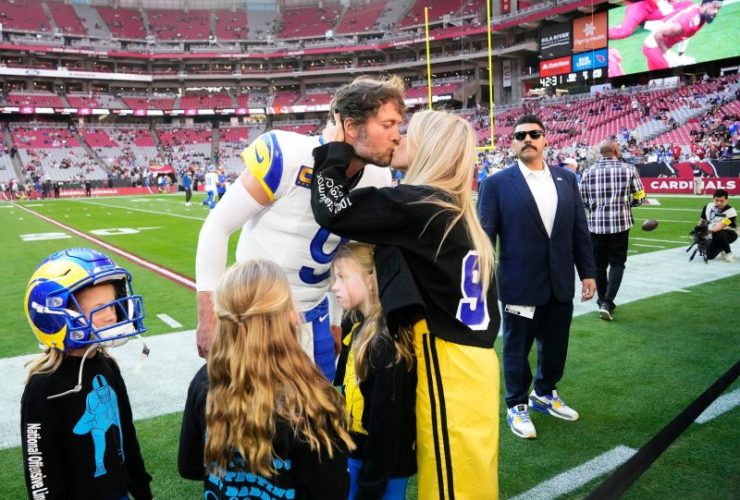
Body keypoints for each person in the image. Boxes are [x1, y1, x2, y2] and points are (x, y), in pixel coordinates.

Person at [312, 109, 501, 499]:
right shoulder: (451, 208)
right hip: (471, 363)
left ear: (430, 148)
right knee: (466, 482)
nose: (398, 137)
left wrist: (336, 149)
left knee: (452, 490)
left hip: (448, 361)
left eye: (408, 132)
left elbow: (332, 210)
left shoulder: (420, 204)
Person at [195, 76, 403, 381]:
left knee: (321, 405)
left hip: (317, 314)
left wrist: (335, 319)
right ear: (350, 126)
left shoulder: (377, 177)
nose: (397, 136)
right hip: (259, 315)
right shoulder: (289, 156)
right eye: (388, 125)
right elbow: (217, 226)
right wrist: (208, 315)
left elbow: (345, 254)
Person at [178, 259, 353, 499]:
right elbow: (331, 492)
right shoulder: (317, 402)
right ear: (290, 315)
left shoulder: (206, 380)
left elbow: (189, 466)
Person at [478, 114, 596, 440]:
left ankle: (544, 393)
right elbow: (484, 237)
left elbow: (579, 230)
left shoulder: (567, 179)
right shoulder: (496, 183)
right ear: (512, 143)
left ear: (546, 139)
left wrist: (587, 272)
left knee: (556, 346)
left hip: (559, 281)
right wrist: (482, 280)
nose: (527, 139)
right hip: (519, 284)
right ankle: (516, 403)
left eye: (534, 134)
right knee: (517, 348)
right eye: (520, 135)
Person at [21, 248, 152, 499]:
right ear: (58, 316)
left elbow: (126, 434)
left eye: (113, 304)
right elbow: (39, 466)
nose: (112, 315)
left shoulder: (108, 366)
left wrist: (141, 489)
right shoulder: (44, 385)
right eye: (100, 308)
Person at [330, 243, 416, 500]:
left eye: (342, 277)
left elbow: (387, 427)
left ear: (370, 280)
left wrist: (370, 487)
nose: (334, 286)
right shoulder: (356, 324)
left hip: (381, 469)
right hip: (359, 454)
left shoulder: (385, 343)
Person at [580, 139, 646, 321]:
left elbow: (583, 200)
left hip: (596, 225)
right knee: (617, 263)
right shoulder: (629, 169)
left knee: (599, 265)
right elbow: (640, 196)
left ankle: (602, 300)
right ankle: (608, 302)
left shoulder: (588, 172)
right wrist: (627, 204)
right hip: (620, 224)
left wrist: (596, 209)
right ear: (616, 151)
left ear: (601, 153)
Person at [642, 0, 723, 70]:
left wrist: (681, 53)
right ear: (704, 4)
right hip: (654, 46)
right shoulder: (689, 21)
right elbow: (658, 33)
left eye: (718, 8)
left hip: (657, 45)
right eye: (714, 7)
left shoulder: (702, 14)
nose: (716, 12)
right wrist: (668, 54)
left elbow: (686, 33)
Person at [608, 0, 691, 40]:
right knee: (624, 32)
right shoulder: (636, 8)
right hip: (638, 7)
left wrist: (670, 3)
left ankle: (646, 23)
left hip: (653, 8)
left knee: (687, 4)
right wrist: (663, 5)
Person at [699, 189, 737, 262]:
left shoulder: (731, 212)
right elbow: (702, 220)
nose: (719, 203)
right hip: (713, 233)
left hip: (729, 233)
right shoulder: (708, 206)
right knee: (709, 255)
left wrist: (707, 233)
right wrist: (699, 231)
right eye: (716, 200)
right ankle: (722, 246)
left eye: (722, 201)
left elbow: (720, 226)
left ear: (727, 200)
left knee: (719, 233)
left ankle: (728, 253)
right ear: (713, 199)